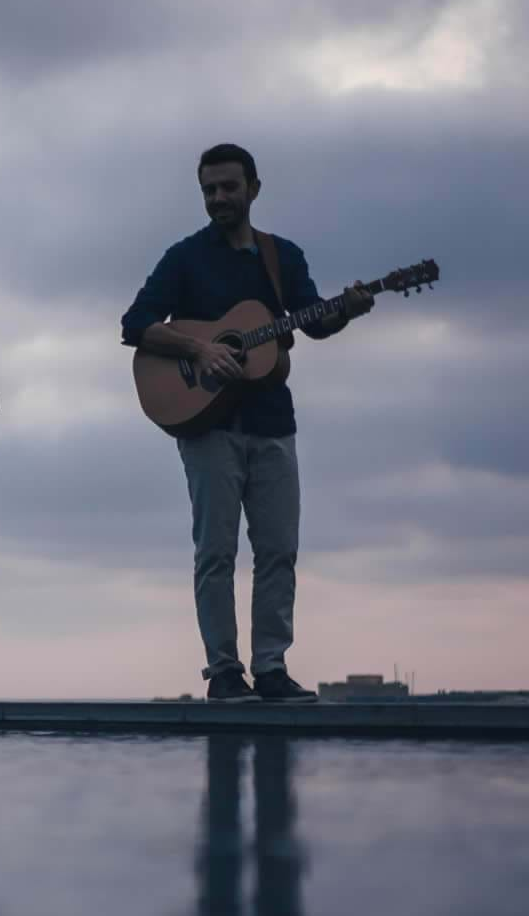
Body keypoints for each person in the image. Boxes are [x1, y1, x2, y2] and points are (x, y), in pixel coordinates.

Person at [121, 143, 373, 703]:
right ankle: (224, 672)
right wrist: (200, 349)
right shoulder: (183, 258)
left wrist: (347, 309)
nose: (218, 198)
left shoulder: (282, 257)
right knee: (216, 552)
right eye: (209, 189)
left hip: (272, 422)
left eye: (228, 187)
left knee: (279, 549)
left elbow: (314, 322)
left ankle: (272, 667)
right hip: (207, 425)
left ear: (254, 188)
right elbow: (136, 324)